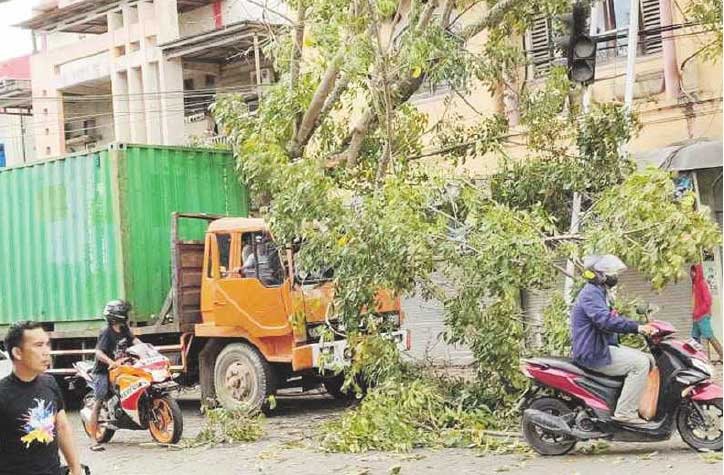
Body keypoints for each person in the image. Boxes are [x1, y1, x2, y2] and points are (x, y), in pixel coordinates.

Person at [570, 255, 658, 425]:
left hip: (601, 347)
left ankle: (638, 405)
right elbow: (605, 320)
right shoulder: (591, 294)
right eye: (609, 272)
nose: (614, 276)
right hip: (593, 352)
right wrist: (637, 328)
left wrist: (638, 325)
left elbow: (611, 321)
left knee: (649, 359)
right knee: (639, 364)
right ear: (598, 275)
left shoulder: (600, 292)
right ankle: (625, 413)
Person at [0, 321, 83, 475]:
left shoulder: (49, 383)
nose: (46, 352)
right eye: (38, 345)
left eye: (47, 344)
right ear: (18, 353)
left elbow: (62, 427)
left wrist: (75, 468)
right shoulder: (3, 394)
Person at [88, 300, 141, 441]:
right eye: (124, 312)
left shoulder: (124, 329)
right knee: (99, 401)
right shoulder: (106, 332)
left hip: (122, 367)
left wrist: (147, 350)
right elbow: (98, 352)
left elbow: (135, 341)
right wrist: (111, 362)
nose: (127, 315)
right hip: (103, 371)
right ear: (117, 315)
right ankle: (93, 439)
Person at [690, 263, 722, 362]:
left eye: (693, 271)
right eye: (691, 271)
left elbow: (708, 300)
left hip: (702, 315)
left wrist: (699, 311)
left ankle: (722, 355)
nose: (691, 273)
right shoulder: (695, 284)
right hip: (697, 317)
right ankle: (698, 358)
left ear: (698, 272)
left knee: (708, 335)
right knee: (694, 337)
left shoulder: (701, 283)